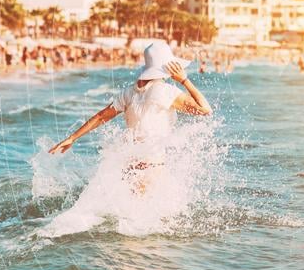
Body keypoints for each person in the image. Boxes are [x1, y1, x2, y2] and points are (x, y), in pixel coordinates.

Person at [48, 40, 212, 195]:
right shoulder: (166, 92)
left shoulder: (129, 92)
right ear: (170, 68)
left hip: (130, 164)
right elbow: (205, 110)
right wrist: (184, 80)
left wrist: (72, 138)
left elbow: (101, 116)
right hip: (152, 165)